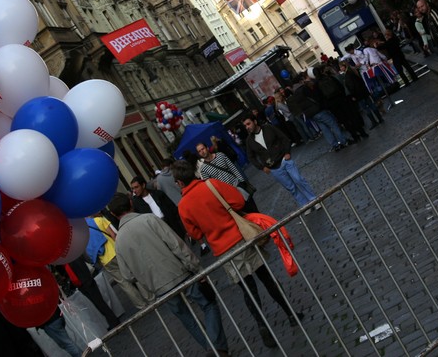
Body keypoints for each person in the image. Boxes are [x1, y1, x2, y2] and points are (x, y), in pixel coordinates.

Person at [171, 160, 302, 349]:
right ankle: (290, 314)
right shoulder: (212, 184)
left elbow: (195, 234)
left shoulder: (183, 206)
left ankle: (261, 324)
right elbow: (239, 200)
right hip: (241, 238)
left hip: (223, 250)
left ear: (180, 182)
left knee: (248, 288)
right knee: (266, 277)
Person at [108, 193, 230, 357]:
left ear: (114, 214)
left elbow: (127, 275)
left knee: (188, 320)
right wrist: (196, 267)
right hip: (180, 274)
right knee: (208, 304)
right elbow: (176, 245)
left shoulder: (119, 241)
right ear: (131, 203)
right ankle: (216, 347)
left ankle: (213, 350)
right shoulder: (149, 219)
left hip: (159, 287)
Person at [242, 114, 318, 208]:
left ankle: (314, 200)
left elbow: (284, 138)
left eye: (248, 124)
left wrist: (287, 153)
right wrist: (262, 167)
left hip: (284, 160)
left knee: (299, 180)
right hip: (274, 169)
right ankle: (305, 205)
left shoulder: (268, 128)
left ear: (255, 122)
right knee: (291, 188)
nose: (247, 127)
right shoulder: (249, 141)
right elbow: (251, 157)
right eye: (245, 125)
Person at [87, 212, 153, 310]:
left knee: (124, 283)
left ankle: (141, 305)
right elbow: (113, 235)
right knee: (135, 273)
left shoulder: (84, 234)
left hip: (105, 260)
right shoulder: (99, 220)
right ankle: (150, 298)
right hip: (117, 252)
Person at [61, 255, 121, 330]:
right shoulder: (66, 261)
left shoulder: (73, 256)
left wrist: (87, 281)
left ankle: (114, 321)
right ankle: (111, 320)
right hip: (82, 285)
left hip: (86, 282)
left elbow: (82, 268)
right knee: (97, 304)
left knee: (99, 302)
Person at [196, 142, 259, 213]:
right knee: (245, 214)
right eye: (199, 151)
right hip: (227, 195)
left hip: (237, 186)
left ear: (207, 148)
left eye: (202, 149)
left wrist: (242, 182)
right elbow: (210, 187)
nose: (202, 152)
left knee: (253, 208)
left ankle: (266, 223)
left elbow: (233, 168)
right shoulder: (203, 169)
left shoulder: (220, 155)